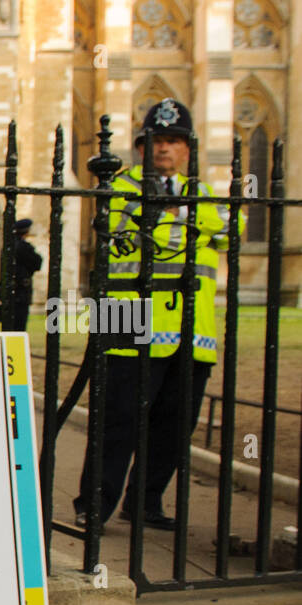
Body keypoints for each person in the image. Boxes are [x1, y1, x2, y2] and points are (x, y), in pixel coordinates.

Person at [73, 97, 243, 531]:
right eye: (156, 141)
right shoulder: (121, 187)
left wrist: (177, 215)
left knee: (174, 429)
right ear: (141, 148)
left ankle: (146, 501)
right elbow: (136, 230)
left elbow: (233, 227)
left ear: (187, 149)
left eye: (173, 140)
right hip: (127, 321)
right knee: (116, 422)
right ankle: (94, 504)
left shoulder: (200, 193)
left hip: (191, 330)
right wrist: (187, 221)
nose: (165, 149)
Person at [0, 218, 42, 333]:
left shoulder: (8, 246)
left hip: (8, 289)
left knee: (8, 325)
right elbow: (37, 263)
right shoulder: (24, 247)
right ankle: (14, 350)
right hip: (20, 291)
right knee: (19, 325)